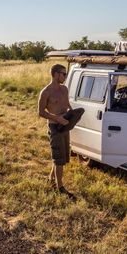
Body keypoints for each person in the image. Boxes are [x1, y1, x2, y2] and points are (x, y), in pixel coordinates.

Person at [38, 64, 84, 200]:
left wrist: (72, 114)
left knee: (62, 156)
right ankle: (60, 187)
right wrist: (56, 118)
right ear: (56, 74)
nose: (65, 76)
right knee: (59, 160)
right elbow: (40, 112)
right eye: (63, 74)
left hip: (65, 126)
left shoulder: (64, 89)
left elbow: (67, 105)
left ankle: (50, 180)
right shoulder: (46, 92)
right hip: (55, 127)